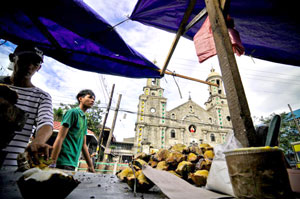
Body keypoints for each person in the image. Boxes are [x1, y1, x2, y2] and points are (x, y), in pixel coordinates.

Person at [0, 44, 53, 168]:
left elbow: (46, 123)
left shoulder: (41, 97)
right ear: (13, 58)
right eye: (25, 60)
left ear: (39, 67)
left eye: (35, 63)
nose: (29, 66)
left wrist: (39, 140)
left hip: (10, 166)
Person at [50, 90, 96, 172]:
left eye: (94, 99)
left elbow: (83, 145)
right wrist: (52, 161)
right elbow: (60, 137)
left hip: (72, 162)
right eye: (90, 97)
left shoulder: (84, 119)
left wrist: (90, 166)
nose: (92, 100)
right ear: (80, 99)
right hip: (62, 161)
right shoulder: (73, 113)